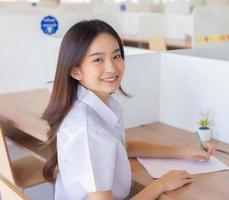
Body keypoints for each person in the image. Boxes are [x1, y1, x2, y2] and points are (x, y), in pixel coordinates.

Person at [42, 19, 214, 200]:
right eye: (98, 59)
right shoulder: (86, 129)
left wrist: (183, 152)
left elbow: (122, 148)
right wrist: (161, 184)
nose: (112, 67)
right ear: (76, 71)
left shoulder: (98, 101)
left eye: (116, 56)